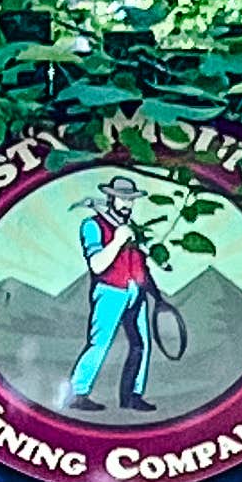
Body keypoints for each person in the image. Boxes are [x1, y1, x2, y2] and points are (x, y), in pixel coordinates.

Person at [62, 173, 155, 410]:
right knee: (100, 343)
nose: (127, 204)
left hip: (136, 290)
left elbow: (139, 263)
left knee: (141, 344)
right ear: (110, 198)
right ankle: (78, 393)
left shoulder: (131, 227)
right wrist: (117, 240)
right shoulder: (92, 225)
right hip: (111, 290)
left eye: (131, 199)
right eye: (122, 198)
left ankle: (132, 395)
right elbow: (97, 265)